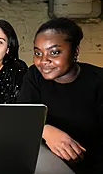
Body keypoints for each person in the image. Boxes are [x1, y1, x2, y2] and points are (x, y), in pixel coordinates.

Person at [17, 17, 103, 174]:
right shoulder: (34, 75)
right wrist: (45, 130)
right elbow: (22, 118)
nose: (43, 61)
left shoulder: (98, 81)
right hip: (44, 164)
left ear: (75, 51)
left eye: (54, 52)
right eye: (38, 53)